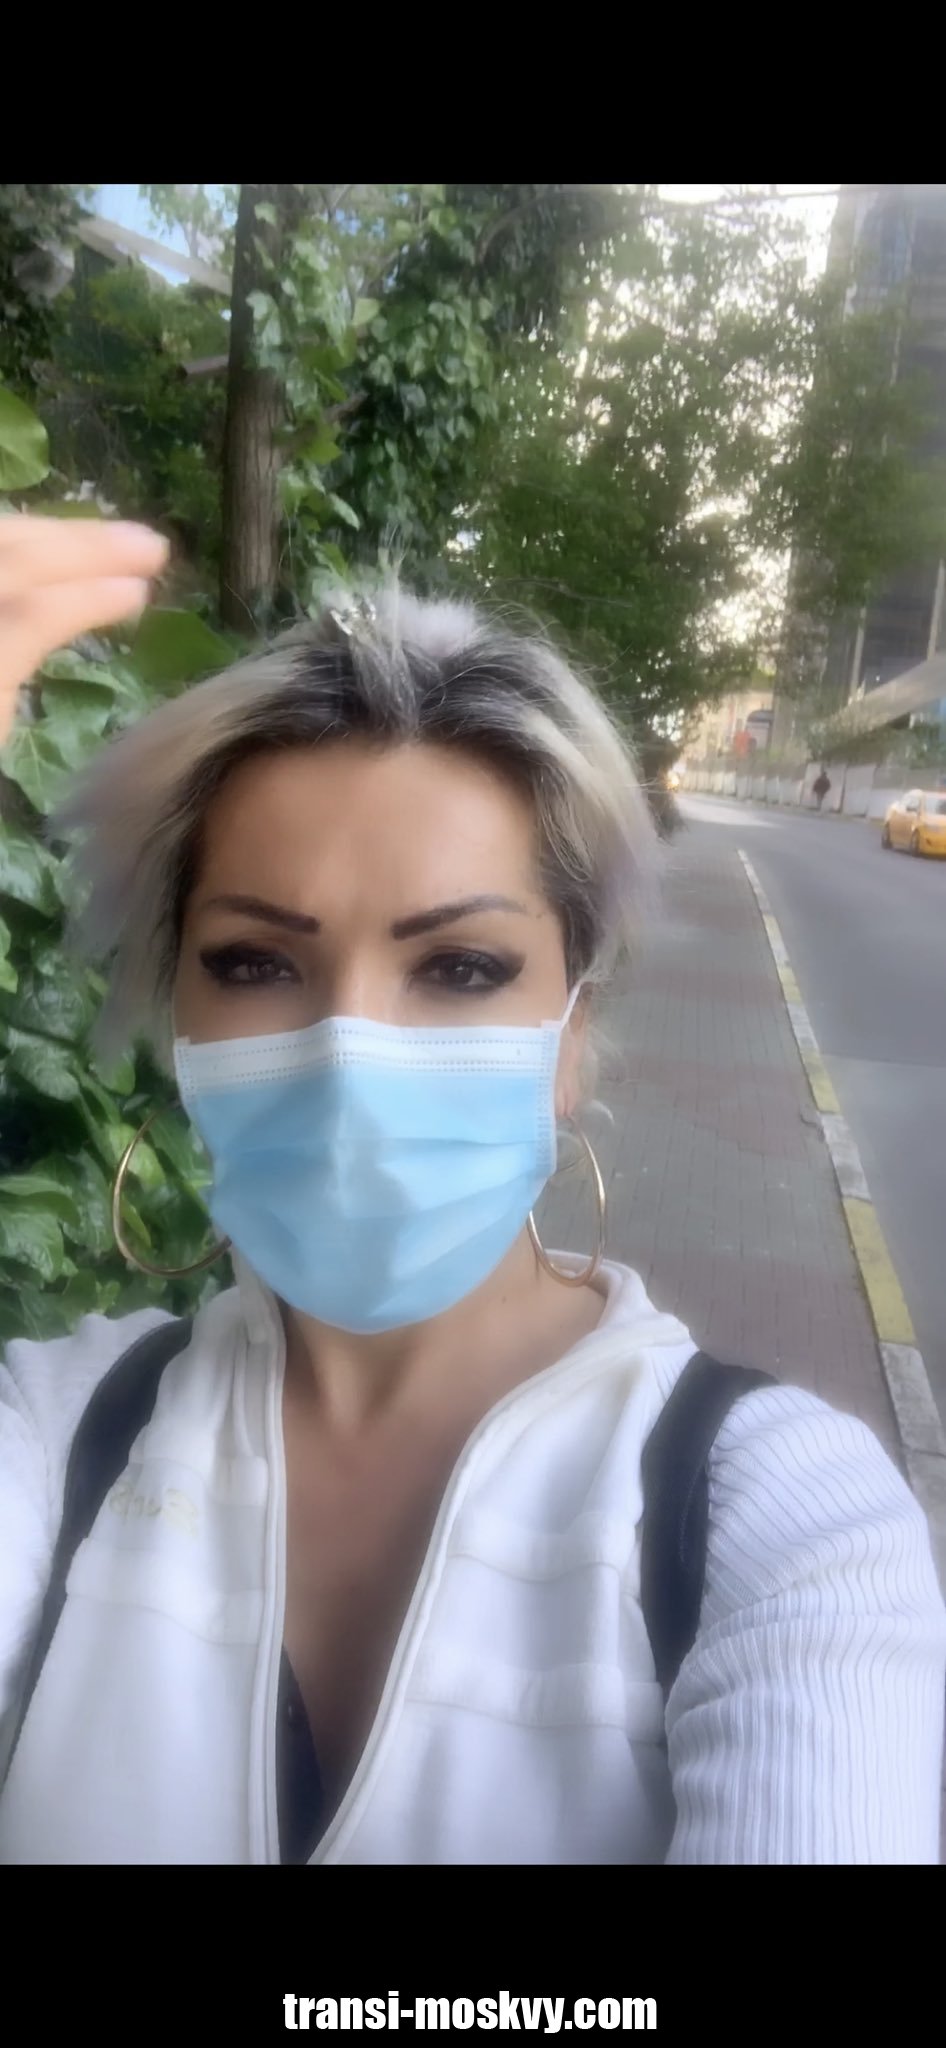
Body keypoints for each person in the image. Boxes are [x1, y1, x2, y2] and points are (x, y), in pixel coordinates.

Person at [0, 517, 944, 1866]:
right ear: (178, 1023)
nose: (349, 1053)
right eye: (256, 963)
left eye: (459, 969)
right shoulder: (53, 1435)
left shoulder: (779, 1520)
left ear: (569, 1037)